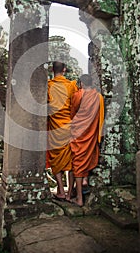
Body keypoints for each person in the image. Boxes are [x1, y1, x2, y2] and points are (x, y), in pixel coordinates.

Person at [69, 74, 104, 207]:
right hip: (91, 132)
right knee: (87, 156)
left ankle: (79, 199)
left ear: (82, 83)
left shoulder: (78, 95)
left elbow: (73, 113)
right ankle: (84, 178)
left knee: (77, 162)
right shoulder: (98, 97)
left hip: (79, 133)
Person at [47, 61, 78, 201]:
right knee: (71, 160)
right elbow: (76, 104)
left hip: (54, 127)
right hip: (68, 126)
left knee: (56, 159)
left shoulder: (48, 86)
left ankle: (60, 189)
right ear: (64, 70)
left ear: (52, 69)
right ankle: (70, 192)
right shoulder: (71, 86)